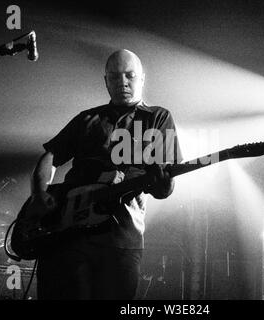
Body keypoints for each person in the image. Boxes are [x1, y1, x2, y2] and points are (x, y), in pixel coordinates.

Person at [29, 49, 182, 299]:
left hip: (120, 238)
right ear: (106, 81)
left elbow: (163, 190)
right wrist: (38, 193)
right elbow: (50, 156)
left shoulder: (158, 118)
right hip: (66, 234)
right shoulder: (87, 119)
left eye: (130, 75)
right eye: (114, 77)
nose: (122, 82)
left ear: (142, 78)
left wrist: (162, 178)